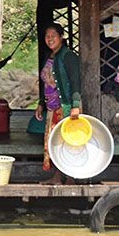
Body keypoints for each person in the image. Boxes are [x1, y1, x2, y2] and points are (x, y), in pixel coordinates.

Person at [34, 23, 82, 185]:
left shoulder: (68, 57)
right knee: (53, 143)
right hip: (52, 108)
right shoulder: (50, 56)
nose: (50, 39)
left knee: (66, 142)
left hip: (66, 107)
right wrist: (41, 103)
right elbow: (46, 84)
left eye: (53, 36)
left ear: (61, 37)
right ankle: (57, 176)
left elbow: (76, 81)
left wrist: (76, 105)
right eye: (47, 36)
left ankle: (69, 178)